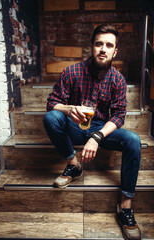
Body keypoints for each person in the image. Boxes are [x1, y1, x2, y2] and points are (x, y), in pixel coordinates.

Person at [43, 24, 141, 240]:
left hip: (100, 129)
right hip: (75, 127)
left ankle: (125, 206)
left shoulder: (117, 79)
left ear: (115, 51)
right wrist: (67, 109)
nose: (103, 49)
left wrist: (97, 137)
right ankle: (73, 165)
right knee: (51, 117)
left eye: (109, 45)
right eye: (99, 44)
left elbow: (118, 116)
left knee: (133, 140)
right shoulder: (72, 71)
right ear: (92, 47)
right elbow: (52, 103)